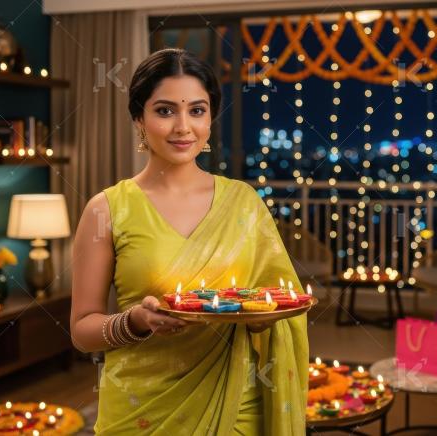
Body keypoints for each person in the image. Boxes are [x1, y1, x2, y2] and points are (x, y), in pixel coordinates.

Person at [70, 47, 309, 435]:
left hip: (235, 405)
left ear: (211, 118)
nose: (183, 126)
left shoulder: (243, 203)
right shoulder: (106, 209)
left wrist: (262, 320)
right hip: (139, 410)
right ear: (139, 119)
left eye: (196, 110)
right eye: (165, 110)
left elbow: (274, 307)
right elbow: (82, 331)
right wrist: (135, 321)